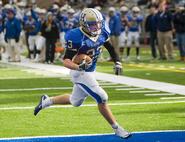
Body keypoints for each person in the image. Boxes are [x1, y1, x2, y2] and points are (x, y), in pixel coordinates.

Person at [34, 8, 131, 139]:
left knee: (75, 101)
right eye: (92, 24)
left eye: (98, 23)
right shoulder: (75, 36)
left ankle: (47, 101)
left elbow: (110, 47)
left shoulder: (103, 30)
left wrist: (117, 62)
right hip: (79, 72)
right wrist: (79, 66)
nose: (96, 26)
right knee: (102, 97)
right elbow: (66, 61)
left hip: (90, 71)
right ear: (83, 24)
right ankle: (117, 128)